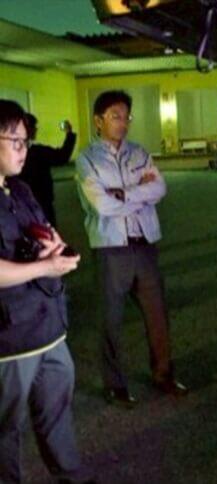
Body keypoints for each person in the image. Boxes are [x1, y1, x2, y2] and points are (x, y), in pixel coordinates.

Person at [75, 90, 187, 407]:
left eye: (126, 117)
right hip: (112, 248)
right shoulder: (87, 160)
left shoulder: (139, 152)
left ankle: (163, 375)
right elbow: (100, 205)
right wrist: (139, 192)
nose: (123, 123)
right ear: (98, 121)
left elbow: (160, 188)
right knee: (110, 320)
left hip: (145, 244)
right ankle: (115, 385)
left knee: (157, 315)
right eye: (115, 116)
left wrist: (123, 194)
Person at [0, 100, 91, 483]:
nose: (24, 149)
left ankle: (72, 475)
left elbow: (43, 230)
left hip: (49, 326)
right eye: (15, 141)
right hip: (10, 339)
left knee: (57, 412)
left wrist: (56, 248)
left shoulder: (20, 189)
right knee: (5, 426)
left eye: (26, 141)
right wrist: (43, 267)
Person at [19, 114, 77, 226]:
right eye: (34, 127)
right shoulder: (38, 152)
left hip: (24, 205)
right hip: (42, 203)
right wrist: (69, 133)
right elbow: (62, 156)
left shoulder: (14, 155)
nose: (36, 129)